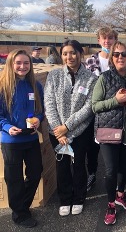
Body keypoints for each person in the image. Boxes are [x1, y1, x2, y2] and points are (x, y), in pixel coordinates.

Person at [92, 41, 126, 226]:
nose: (120, 57)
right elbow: (95, 106)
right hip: (109, 129)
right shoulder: (104, 78)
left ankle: (121, 195)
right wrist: (115, 100)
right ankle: (110, 204)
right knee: (110, 169)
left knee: (124, 167)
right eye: (116, 55)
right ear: (112, 58)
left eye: (123, 54)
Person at [44, 39, 97, 217]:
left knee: (79, 165)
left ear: (81, 54)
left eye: (73, 53)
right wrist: (59, 130)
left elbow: (89, 107)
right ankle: (65, 198)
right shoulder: (54, 76)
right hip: (57, 132)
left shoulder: (91, 79)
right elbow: (49, 103)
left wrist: (68, 126)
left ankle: (79, 198)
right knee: (62, 166)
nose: (69, 57)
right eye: (65, 53)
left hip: (80, 131)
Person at [0, 49, 44, 228]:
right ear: (11, 64)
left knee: (35, 172)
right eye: (18, 63)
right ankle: (20, 213)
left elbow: (41, 111)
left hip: (31, 138)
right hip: (11, 140)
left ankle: (21, 205)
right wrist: (8, 127)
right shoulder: (3, 86)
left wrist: (37, 121)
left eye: (26, 63)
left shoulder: (35, 85)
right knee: (14, 178)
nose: (22, 66)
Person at [84, 27, 118, 192]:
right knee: (93, 147)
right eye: (104, 38)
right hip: (95, 110)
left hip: (114, 111)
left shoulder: (118, 59)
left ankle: (114, 179)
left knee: (113, 148)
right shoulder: (91, 61)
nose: (107, 41)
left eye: (110, 38)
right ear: (99, 40)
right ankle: (92, 174)